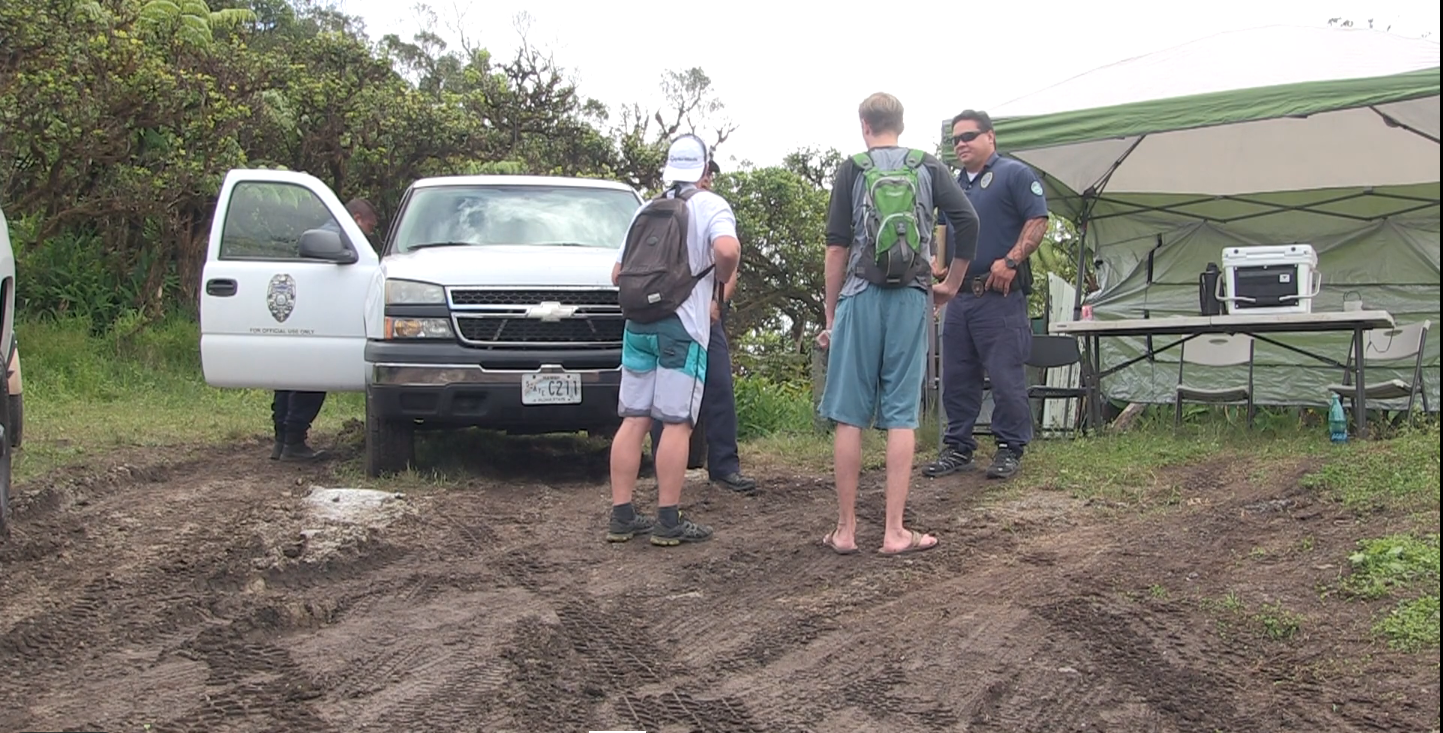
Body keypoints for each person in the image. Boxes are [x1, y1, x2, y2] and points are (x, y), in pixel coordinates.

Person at [816, 93, 979, 555]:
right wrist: (950, 283)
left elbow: (835, 249)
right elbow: (968, 219)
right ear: (900, 125)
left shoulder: (852, 168)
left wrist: (833, 314)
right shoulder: (927, 166)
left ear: (865, 125)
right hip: (911, 297)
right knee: (901, 415)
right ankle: (894, 531)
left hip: (859, 297)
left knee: (849, 415)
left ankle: (846, 531)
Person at [607, 135, 742, 546]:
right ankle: (668, 518)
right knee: (678, 422)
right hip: (683, 327)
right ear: (704, 171)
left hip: (638, 325)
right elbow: (727, 248)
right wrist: (717, 279)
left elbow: (617, 275)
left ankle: (622, 513)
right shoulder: (710, 204)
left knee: (635, 418)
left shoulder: (646, 209)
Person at [923, 110, 1050, 481]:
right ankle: (957, 446)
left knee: (1005, 375)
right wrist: (937, 264)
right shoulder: (953, 185)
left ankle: (1010, 447)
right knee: (957, 375)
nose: (961, 144)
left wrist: (1011, 259)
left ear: (990, 137)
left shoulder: (1014, 173)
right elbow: (942, 230)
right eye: (956, 139)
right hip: (959, 296)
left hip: (999, 295)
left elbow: (1038, 219)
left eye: (969, 136)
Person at [646, 159, 758, 495]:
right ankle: (663, 469)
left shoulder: (712, 211)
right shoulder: (661, 210)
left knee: (720, 385)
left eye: (711, 174)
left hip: (706, 315)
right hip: (670, 313)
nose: (709, 179)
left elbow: (729, 264)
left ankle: (724, 466)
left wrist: (717, 304)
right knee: (664, 394)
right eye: (705, 172)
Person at [271, 197, 379, 461]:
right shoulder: (336, 240)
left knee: (289, 376)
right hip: (318, 322)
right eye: (370, 227)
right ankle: (293, 441)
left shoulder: (323, 235)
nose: (370, 234)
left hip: (302, 320)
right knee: (312, 378)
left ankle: (282, 439)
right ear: (356, 220)